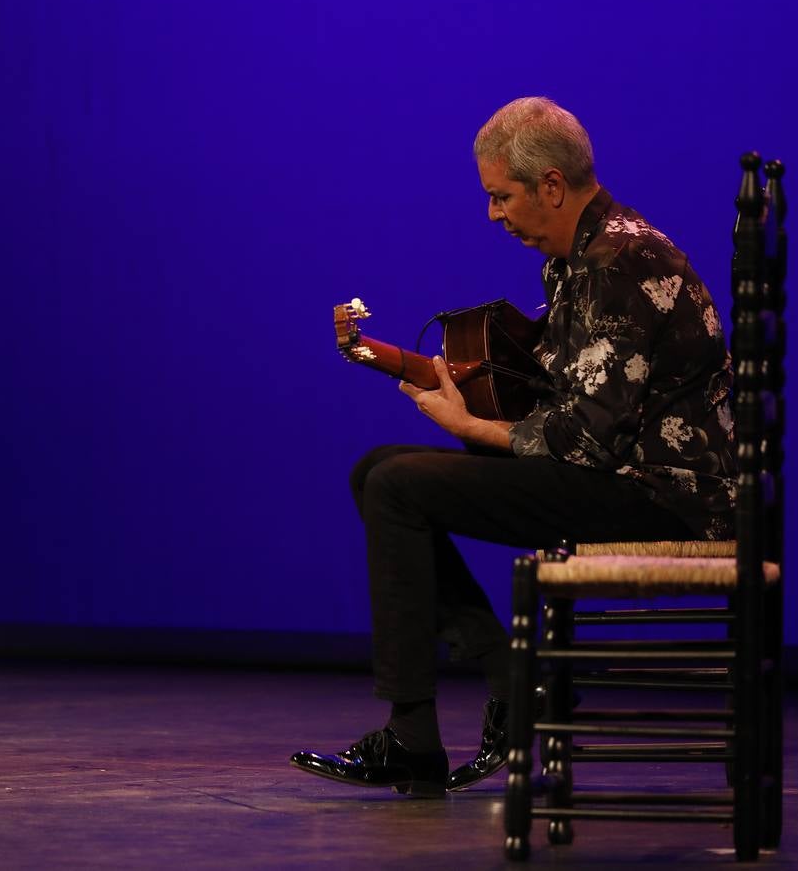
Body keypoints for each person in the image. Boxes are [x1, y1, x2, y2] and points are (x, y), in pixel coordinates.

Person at [291, 97, 735, 797]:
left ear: (550, 186)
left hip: (658, 496)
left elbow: (584, 439)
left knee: (396, 486)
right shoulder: (580, 258)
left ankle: (422, 734)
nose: (494, 216)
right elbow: (558, 401)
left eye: (501, 197)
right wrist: (445, 385)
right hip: (615, 477)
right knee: (376, 469)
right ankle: (507, 684)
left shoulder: (619, 260)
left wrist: (468, 428)